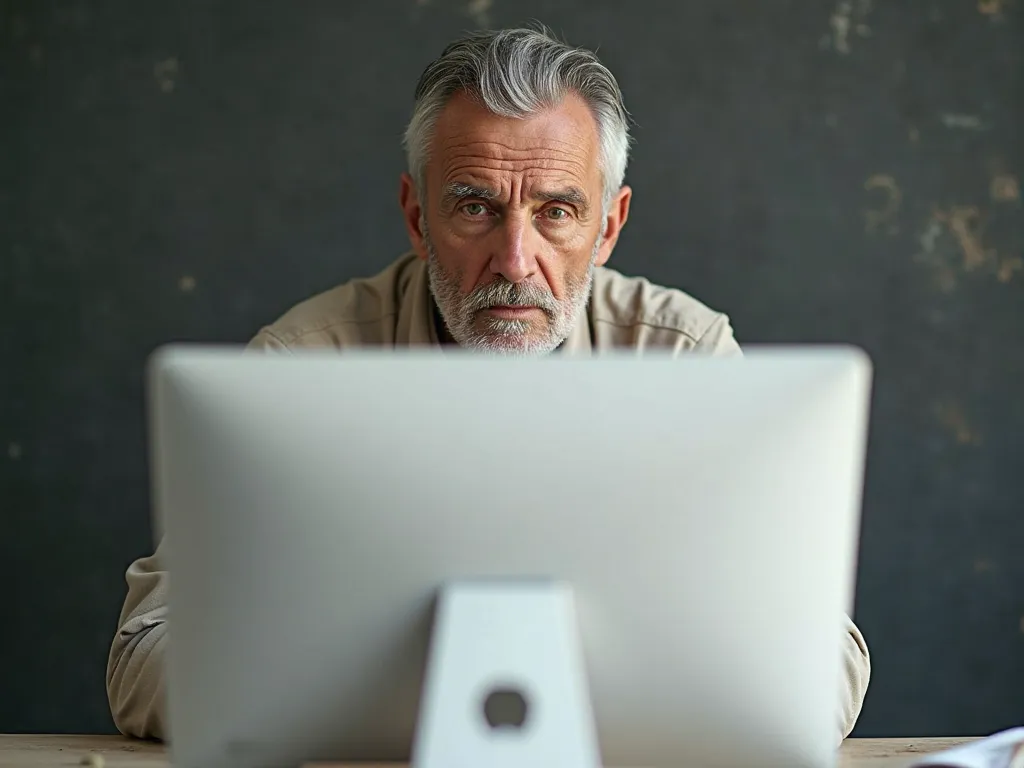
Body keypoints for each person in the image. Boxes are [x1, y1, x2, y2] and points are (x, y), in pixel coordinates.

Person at [107, 25, 870, 744]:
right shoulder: (304, 365)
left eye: (557, 212)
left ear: (608, 226)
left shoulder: (684, 358)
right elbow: (143, 659)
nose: (514, 259)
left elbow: (820, 672)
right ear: (416, 215)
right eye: (475, 207)